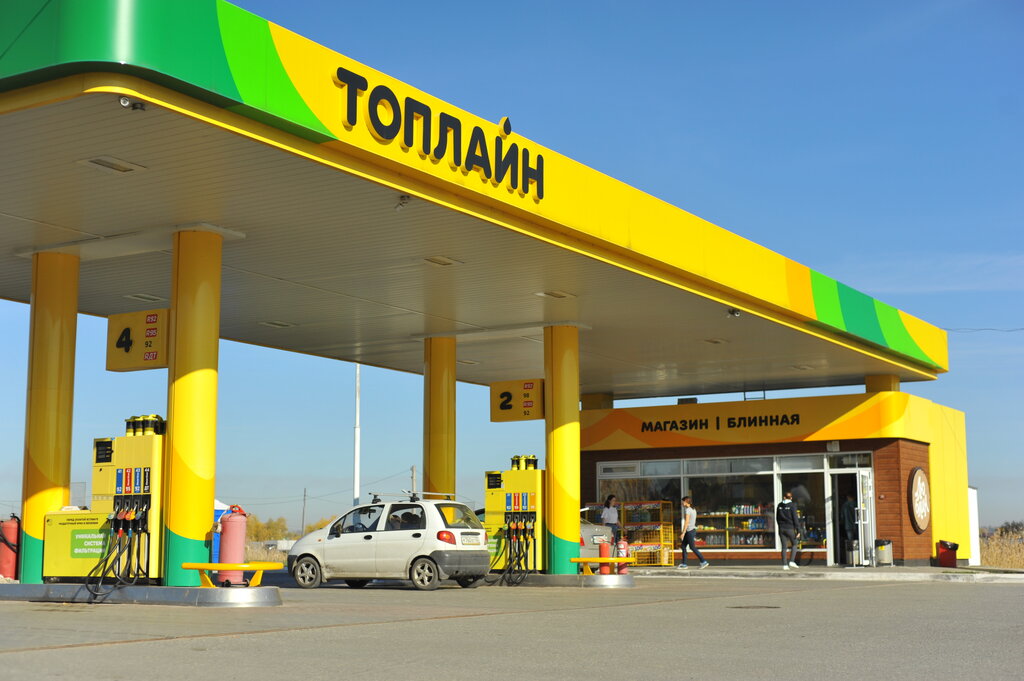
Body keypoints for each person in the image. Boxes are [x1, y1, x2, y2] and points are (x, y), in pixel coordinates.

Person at [677, 496, 709, 570]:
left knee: (692, 547)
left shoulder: (688, 510)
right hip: (691, 530)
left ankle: (703, 561)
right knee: (683, 546)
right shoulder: (693, 509)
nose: (681, 503)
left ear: (686, 502)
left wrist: (683, 533)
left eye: (682, 502)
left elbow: (687, 522)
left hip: (689, 531)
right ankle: (684, 564)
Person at [777, 490, 803, 569]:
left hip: (781, 528)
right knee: (794, 544)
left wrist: (780, 526)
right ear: (791, 498)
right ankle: (791, 561)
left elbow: (777, 518)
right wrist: (798, 530)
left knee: (784, 547)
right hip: (790, 528)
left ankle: (785, 565)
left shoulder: (779, 505)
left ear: (784, 497)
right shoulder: (792, 506)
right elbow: (795, 518)